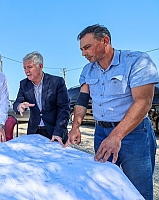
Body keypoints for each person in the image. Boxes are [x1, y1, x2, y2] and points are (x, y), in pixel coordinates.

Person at [64, 24, 159, 200]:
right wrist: (75, 126)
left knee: (138, 189)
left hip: (135, 134)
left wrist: (116, 136)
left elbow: (143, 101)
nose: (83, 53)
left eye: (87, 47)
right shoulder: (88, 70)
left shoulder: (137, 61)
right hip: (101, 132)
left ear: (105, 41)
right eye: (81, 49)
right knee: (104, 185)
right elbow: (83, 99)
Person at [13, 51, 70, 144]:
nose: (26, 71)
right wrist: (19, 106)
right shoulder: (24, 84)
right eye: (24, 68)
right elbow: (17, 103)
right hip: (34, 132)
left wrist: (59, 132)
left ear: (40, 66)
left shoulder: (57, 82)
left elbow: (64, 108)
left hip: (54, 132)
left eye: (30, 67)